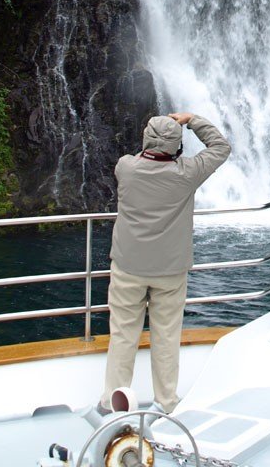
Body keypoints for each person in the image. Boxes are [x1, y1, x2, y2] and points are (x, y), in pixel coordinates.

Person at [98, 111, 231, 415]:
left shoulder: (126, 167)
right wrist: (192, 119)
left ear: (146, 139)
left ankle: (111, 404)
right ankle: (167, 403)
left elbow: (142, 156)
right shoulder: (188, 173)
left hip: (128, 267)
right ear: (177, 146)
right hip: (170, 272)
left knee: (122, 335)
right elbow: (221, 147)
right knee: (167, 338)